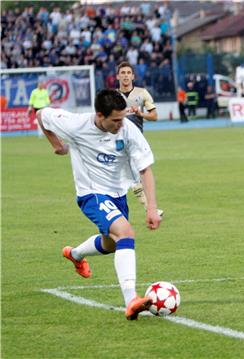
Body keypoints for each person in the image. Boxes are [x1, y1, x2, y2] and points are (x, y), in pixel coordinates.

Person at [36, 89, 161, 320]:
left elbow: (145, 169)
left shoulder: (128, 130)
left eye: (122, 118)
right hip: (91, 194)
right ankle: (130, 299)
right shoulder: (75, 124)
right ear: (100, 115)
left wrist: (151, 207)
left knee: (112, 244)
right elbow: (42, 115)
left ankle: (75, 254)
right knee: (125, 233)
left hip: (117, 195)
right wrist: (57, 145)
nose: (120, 124)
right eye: (115, 120)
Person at [116, 61, 164, 217]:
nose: (125, 76)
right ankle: (150, 209)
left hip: (137, 140)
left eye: (128, 73)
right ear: (117, 76)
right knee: (134, 175)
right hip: (117, 141)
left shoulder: (142, 93)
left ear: (133, 76)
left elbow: (155, 116)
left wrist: (140, 114)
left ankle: (146, 208)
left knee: (136, 174)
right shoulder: (113, 96)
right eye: (122, 73)